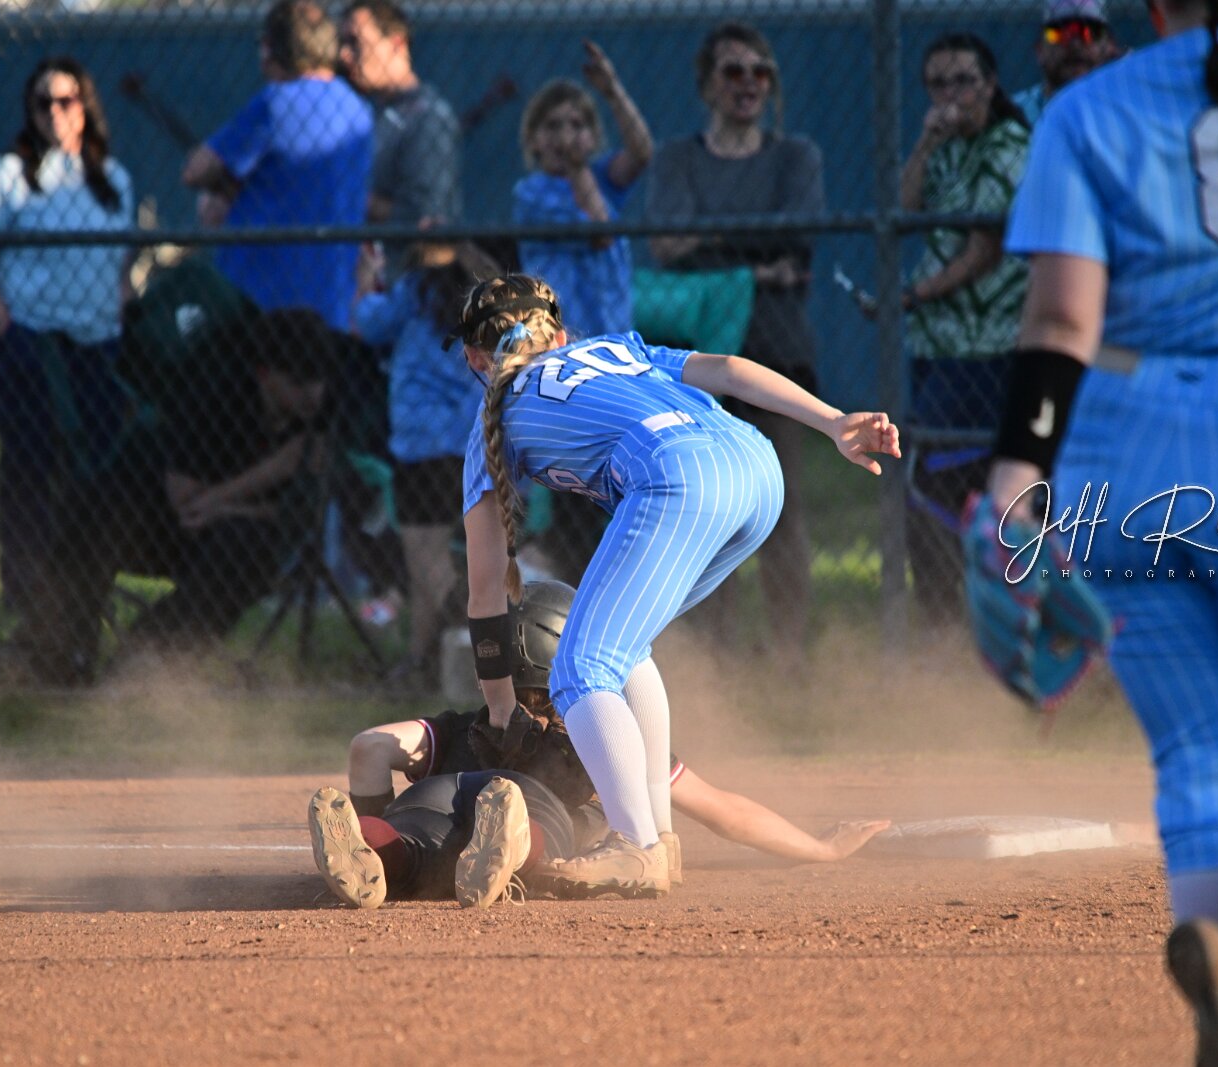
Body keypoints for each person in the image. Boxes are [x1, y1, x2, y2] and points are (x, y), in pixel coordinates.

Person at [976, 0, 1218, 1060]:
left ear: (1151, 6)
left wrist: (1014, 477)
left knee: (1202, 755)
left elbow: (1061, 321)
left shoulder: (1087, 109)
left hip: (1118, 454)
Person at [454, 274, 898, 895]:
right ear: (558, 336)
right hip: (756, 466)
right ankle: (658, 838)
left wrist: (502, 710)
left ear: (474, 359)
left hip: (679, 474)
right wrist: (832, 422)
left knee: (581, 671)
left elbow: (484, 594)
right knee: (622, 650)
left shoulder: (492, 423)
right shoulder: (613, 348)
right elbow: (731, 370)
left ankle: (635, 845)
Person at [310, 580, 889, 909]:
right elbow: (722, 811)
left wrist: (376, 811)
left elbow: (370, 748)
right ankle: (508, 842)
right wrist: (819, 849)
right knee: (538, 837)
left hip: (439, 790)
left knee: (412, 849)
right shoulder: (601, 737)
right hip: (531, 805)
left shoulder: (469, 725)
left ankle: (375, 848)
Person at [12, 308, 334, 685]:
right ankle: (55, 653)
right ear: (265, 374)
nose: (313, 394)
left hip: (246, 542)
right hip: (172, 528)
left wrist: (221, 502)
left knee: (243, 547)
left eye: (319, 380)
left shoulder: (323, 413)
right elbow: (185, 503)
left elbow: (294, 517)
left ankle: (144, 664)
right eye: (298, 382)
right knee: (100, 504)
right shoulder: (219, 392)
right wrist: (278, 468)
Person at [646, 22, 826, 652]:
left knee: (781, 508)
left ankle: (790, 656)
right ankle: (715, 656)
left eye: (761, 71)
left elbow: (797, 233)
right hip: (699, 357)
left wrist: (712, 244)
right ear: (707, 85)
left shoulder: (795, 156)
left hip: (775, 349)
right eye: (733, 71)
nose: (749, 83)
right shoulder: (678, 159)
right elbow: (666, 245)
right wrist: (758, 267)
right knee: (705, 509)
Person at [0, 55, 136, 623]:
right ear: (30, 113)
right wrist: (9, 332)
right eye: (43, 103)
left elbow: (121, 274)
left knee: (97, 477)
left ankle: (85, 596)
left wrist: (127, 336)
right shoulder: (7, 176)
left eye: (66, 101)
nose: (55, 113)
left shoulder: (113, 181)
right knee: (31, 474)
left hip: (98, 348)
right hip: (33, 346)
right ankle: (28, 602)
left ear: (85, 108)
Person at [898, 33, 1030, 624]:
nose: (951, 95)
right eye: (938, 84)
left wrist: (913, 295)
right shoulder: (947, 149)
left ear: (990, 85)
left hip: (989, 347)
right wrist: (926, 141)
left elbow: (985, 250)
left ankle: (998, 608)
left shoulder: (1010, 146)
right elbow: (903, 209)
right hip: (937, 343)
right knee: (933, 480)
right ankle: (943, 617)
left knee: (950, 476)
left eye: (964, 82)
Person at [352, 239, 497, 687]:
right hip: (473, 443)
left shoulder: (417, 289)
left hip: (423, 446)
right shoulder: (483, 299)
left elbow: (368, 324)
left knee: (427, 561)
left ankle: (477, 648)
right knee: (435, 562)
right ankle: (424, 659)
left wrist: (365, 280)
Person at [182, 0, 372, 331]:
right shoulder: (358, 109)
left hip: (259, 303)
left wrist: (223, 184)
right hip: (332, 306)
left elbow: (195, 171)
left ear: (272, 48)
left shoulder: (276, 101)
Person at [512, 42, 653, 342]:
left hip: (612, 328)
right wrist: (576, 166)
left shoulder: (601, 177)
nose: (565, 137)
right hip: (559, 334)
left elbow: (641, 153)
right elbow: (600, 233)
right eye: (552, 126)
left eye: (577, 125)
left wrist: (613, 93)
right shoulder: (531, 194)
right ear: (533, 139)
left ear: (593, 137)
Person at [338, 0, 460, 279]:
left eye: (355, 42)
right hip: (368, 280)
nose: (344, 55)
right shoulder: (372, 112)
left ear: (396, 44)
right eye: (342, 43)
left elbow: (426, 217)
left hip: (412, 281)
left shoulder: (428, 116)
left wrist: (352, 198)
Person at [1011, 0, 1126, 126]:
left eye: (1090, 33)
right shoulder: (1013, 115)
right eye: (1059, 33)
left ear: (1111, 46)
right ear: (1039, 50)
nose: (1075, 44)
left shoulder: (1127, 111)